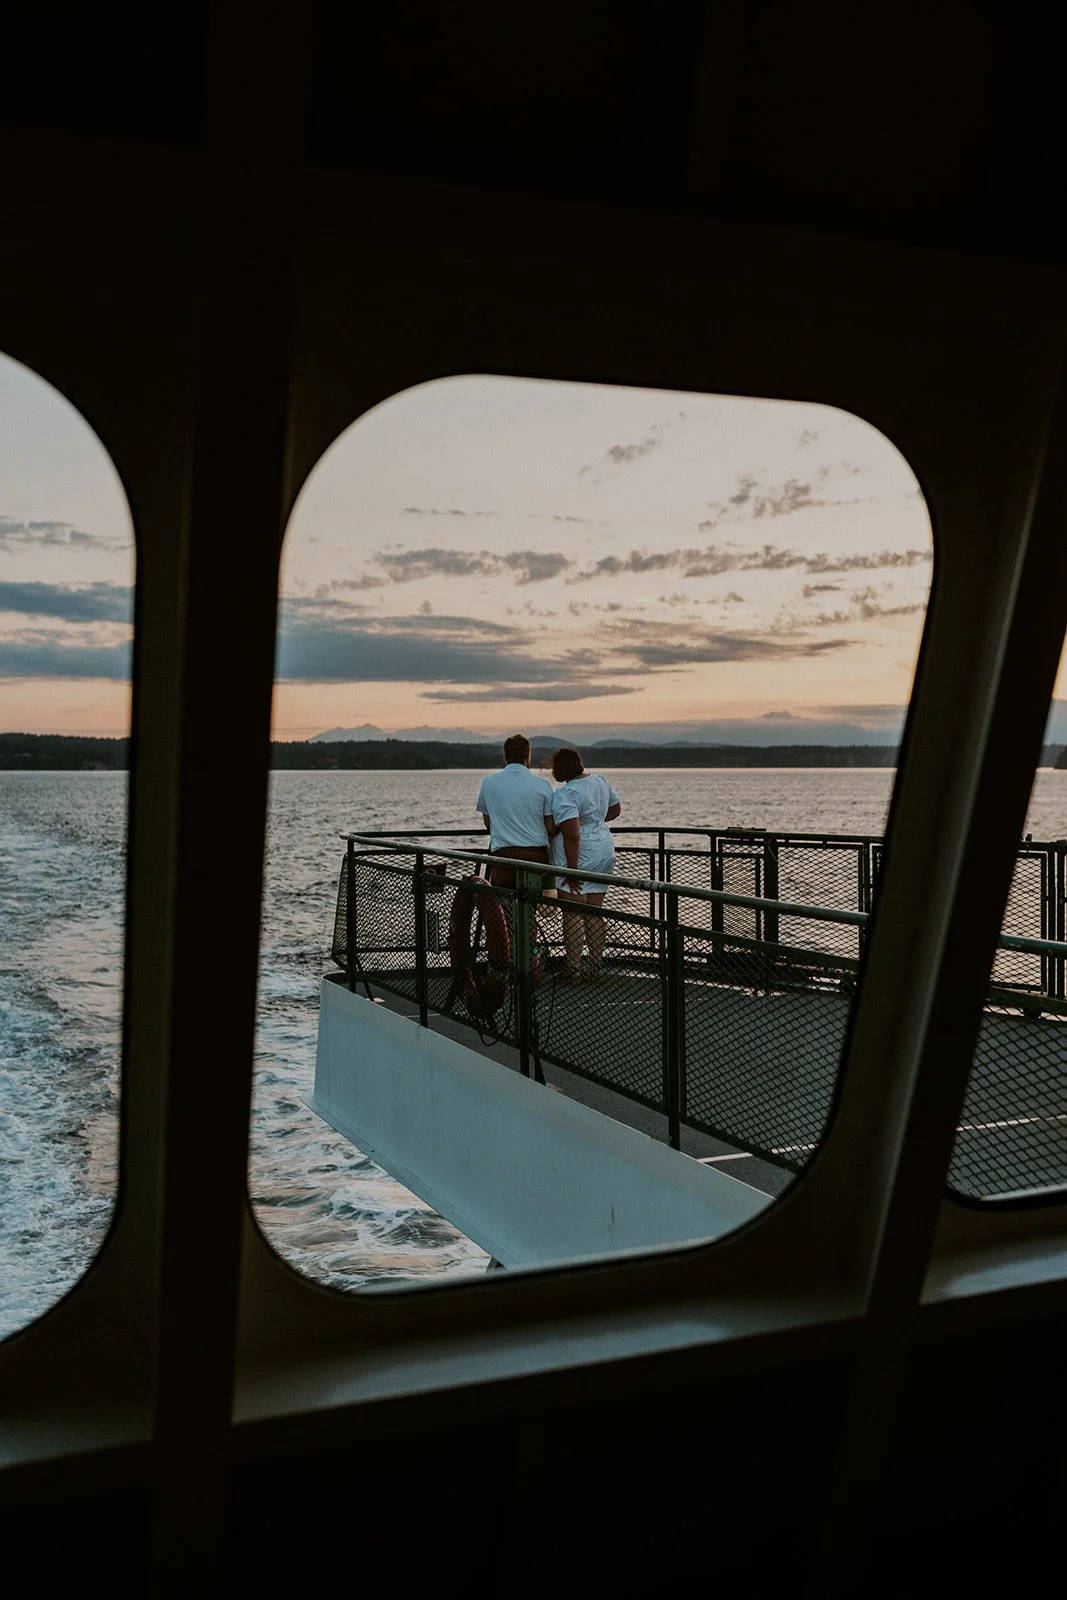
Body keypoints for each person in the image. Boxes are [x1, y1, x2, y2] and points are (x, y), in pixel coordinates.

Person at [548, 746, 621, 981]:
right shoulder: (599, 781)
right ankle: (595, 965)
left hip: (582, 855)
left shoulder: (566, 794)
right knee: (594, 911)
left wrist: (571, 871)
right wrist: (595, 820)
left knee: (572, 912)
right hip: (603, 849)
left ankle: (573, 968)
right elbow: (615, 809)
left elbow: (572, 836)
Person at [475, 733, 554, 891]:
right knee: (532, 905)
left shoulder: (489, 783)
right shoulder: (543, 785)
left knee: (504, 907)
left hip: (505, 857)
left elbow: (488, 823)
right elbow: (550, 826)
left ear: (505, 756)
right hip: (537, 857)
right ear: (528, 756)